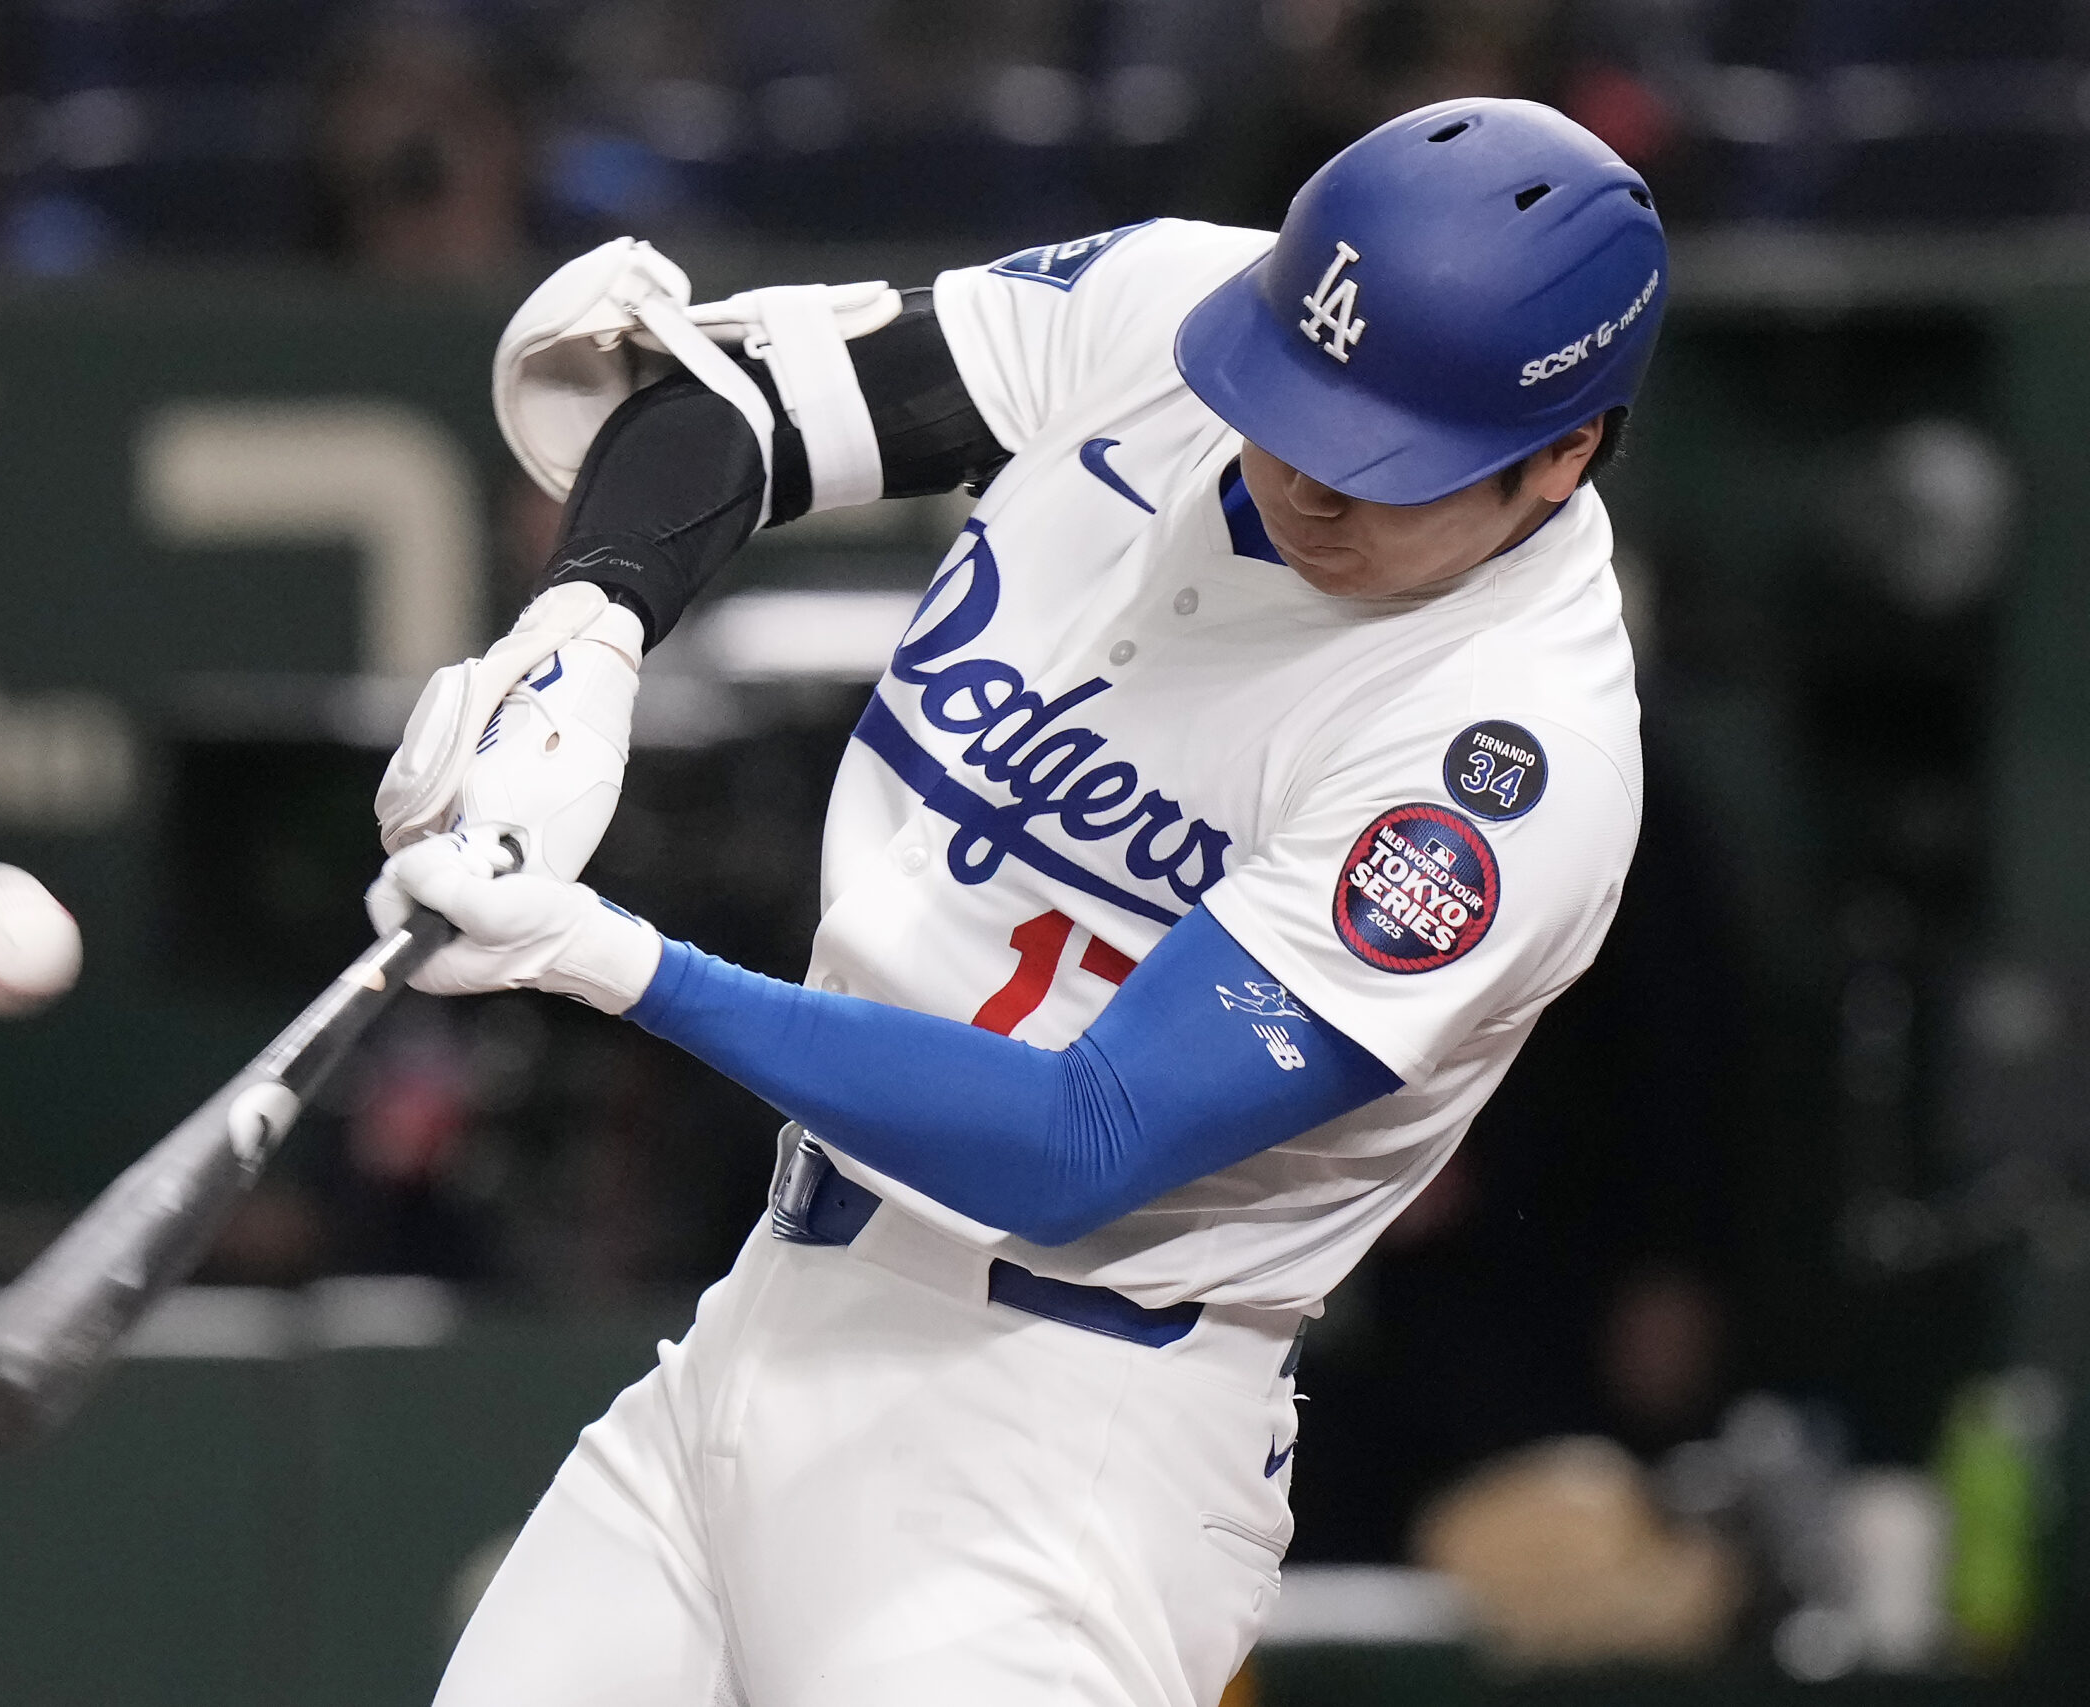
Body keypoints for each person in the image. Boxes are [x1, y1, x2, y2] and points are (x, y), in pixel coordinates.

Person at [366, 96, 1665, 1707]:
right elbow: (742, 405)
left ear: (1562, 453)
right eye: (1292, 405)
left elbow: (1081, 1144)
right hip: (769, 1314)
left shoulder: (1511, 753)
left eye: (1380, 459)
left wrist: (622, 966)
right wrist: (585, 636)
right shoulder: (1174, 303)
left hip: (1062, 1433)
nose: (1311, 475)